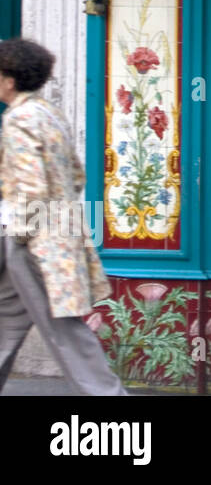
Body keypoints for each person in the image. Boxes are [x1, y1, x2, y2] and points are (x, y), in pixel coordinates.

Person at [0, 38, 126, 395]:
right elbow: (75, 174)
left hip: (34, 240)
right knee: (6, 320)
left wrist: (20, 234)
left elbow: (31, 187)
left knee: (64, 329)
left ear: (10, 79)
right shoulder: (48, 112)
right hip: (55, 231)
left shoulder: (18, 120)